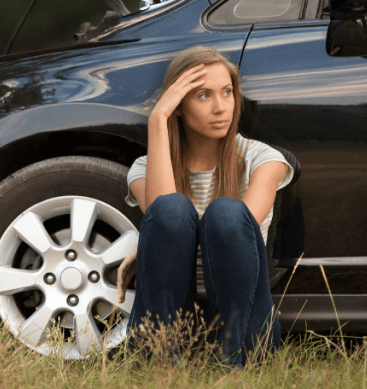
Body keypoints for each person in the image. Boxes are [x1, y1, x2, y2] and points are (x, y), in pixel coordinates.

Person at [117, 46, 293, 364]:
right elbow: (165, 217)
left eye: (227, 93)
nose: (221, 108)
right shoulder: (144, 168)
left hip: (242, 323)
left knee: (226, 211)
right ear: (179, 106)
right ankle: (165, 360)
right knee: (171, 208)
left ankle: (230, 362)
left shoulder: (263, 160)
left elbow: (236, 233)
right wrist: (158, 119)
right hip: (167, 320)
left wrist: (143, 246)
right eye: (203, 96)